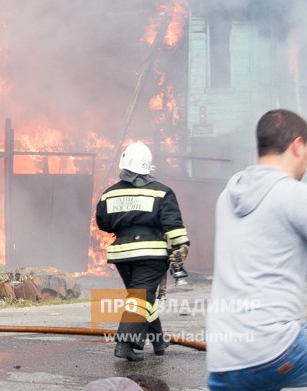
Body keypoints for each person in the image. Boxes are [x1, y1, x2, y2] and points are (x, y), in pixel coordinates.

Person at [207, 109, 307, 390]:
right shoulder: (293, 194)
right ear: (297, 145)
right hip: (276, 350)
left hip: (223, 360)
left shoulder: (227, 196)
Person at [96, 141, 190, 361]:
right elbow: (172, 224)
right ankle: (125, 344)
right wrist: (180, 246)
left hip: (122, 255)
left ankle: (158, 342)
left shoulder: (109, 194)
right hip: (150, 254)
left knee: (140, 298)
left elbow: (103, 223)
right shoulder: (162, 192)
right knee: (141, 298)